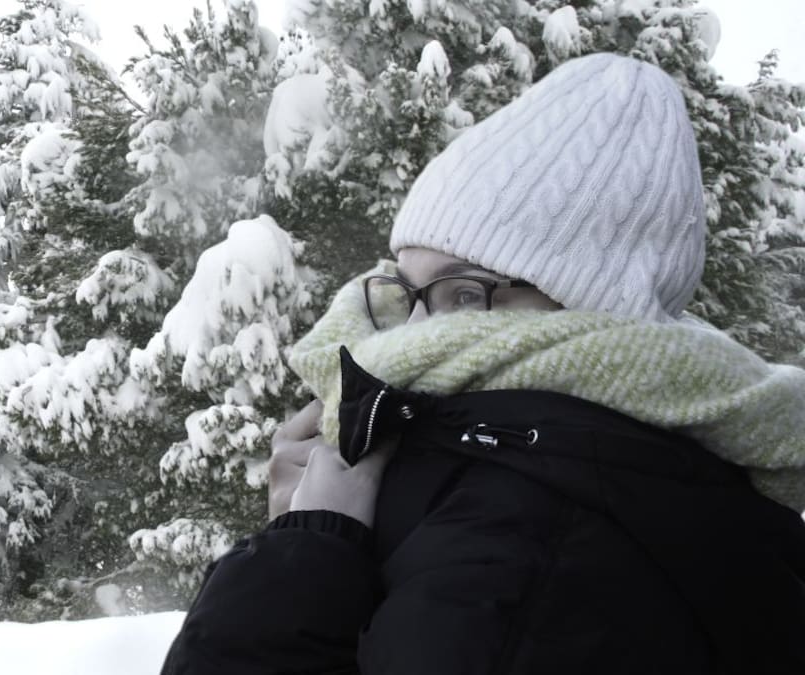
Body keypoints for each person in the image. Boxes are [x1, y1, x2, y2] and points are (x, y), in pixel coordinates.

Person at [160, 52, 805, 674]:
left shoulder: (537, 546)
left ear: (595, 306)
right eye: (407, 291)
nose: (408, 338)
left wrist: (303, 552)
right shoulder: (557, 468)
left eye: (464, 294)